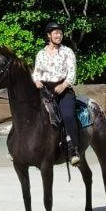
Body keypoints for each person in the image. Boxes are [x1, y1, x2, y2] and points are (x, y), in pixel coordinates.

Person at [31, 21, 80, 165]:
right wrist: (36, 81)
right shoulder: (41, 53)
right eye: (55, 33)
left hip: (63, 90)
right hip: (44, 89)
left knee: (68, 115)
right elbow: (36, 73)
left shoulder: (67, 52)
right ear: (49, 36)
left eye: (60, 33)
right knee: (28, 110)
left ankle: (74, 150)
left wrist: (64, 85)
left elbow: (72, 73)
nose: (58, 35)